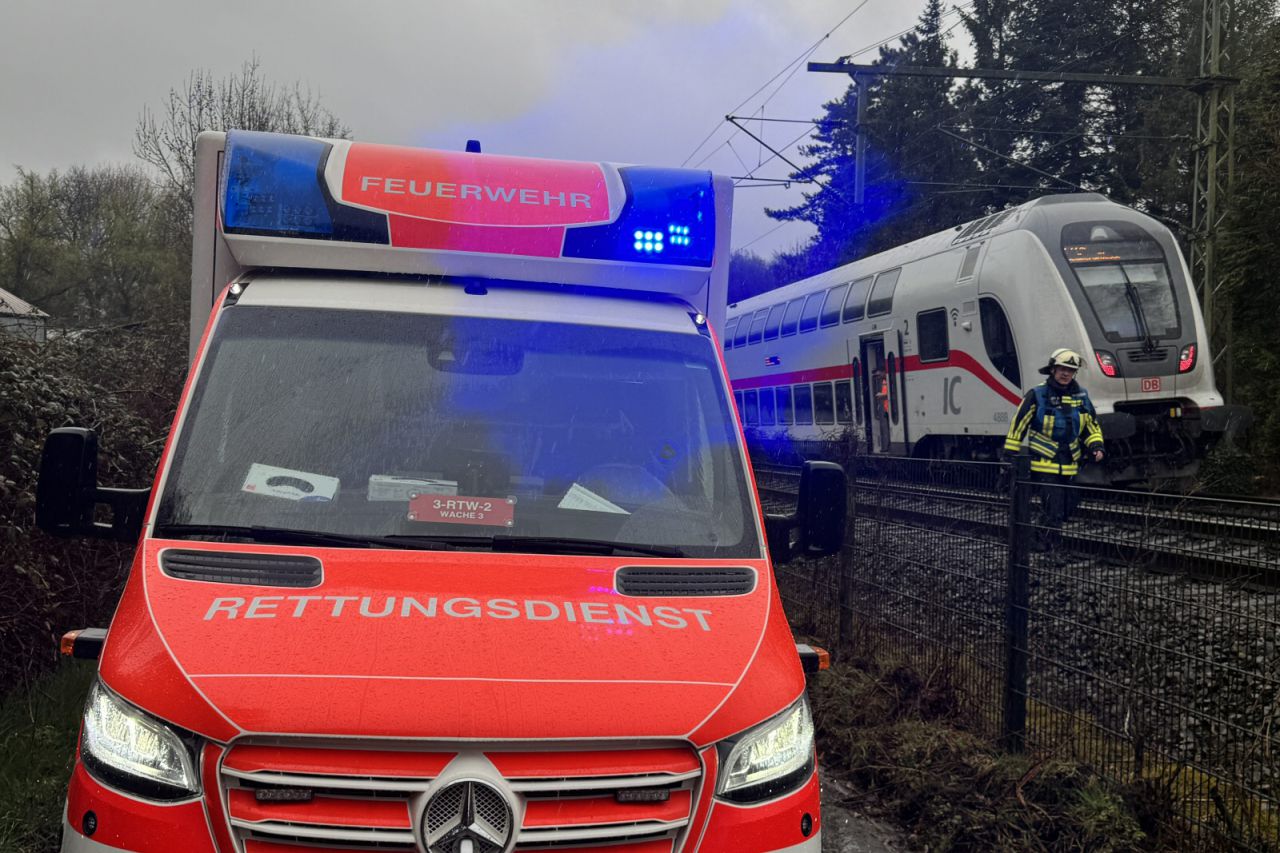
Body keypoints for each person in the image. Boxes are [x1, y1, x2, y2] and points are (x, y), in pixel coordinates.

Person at [1003, 348, 1104, 548]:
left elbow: (1091, 425)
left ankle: (1037, 537)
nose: (1066, 373)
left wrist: (1096, 445)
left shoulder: (1081, 396)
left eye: (1070, 370)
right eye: (1062, 369)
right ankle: (1049, 545)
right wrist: (1009, 455)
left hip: (1070, 464)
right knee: (1054, 507)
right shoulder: (1037, 395)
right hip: (1044, 464)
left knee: (1069, 504)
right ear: (1052, 369)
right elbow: (1019, 424)